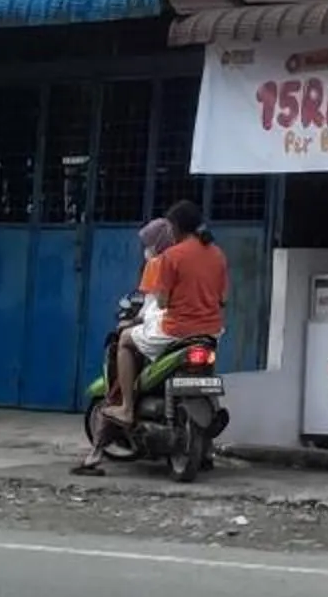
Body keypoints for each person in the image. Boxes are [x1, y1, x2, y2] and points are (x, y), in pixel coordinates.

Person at [81, 200, 228, 471]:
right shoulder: (218, 254)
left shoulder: (171, 257)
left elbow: (160, 303)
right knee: (204, 374)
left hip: (176, 330)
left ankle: (125, 407)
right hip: (211, 331)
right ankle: (206, 445)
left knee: (124, 340)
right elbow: (222, 298)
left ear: (175, 227)